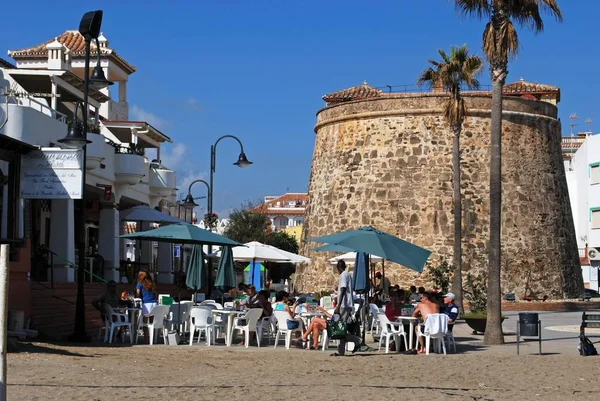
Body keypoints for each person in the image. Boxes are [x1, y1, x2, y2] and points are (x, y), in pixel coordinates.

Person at [332, 260, 362, 356]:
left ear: (338, 267)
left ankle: (357, 340)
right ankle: (341, 351)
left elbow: (343, 289)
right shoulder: (348, 274)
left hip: (344, 305)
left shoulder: (343, 275)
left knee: (340, 328)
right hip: (347, 305)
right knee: (341, 328)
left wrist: (338, 304)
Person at [135, 271, 158, 344]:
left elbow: (138, 293)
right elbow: (155, 293)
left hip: (146, 303)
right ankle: (153, 338)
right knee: (152, 322)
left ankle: (146, 339)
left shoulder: (139, 284)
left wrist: (139, 297)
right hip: (154, 303)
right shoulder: (151, 283)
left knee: (145, 322)